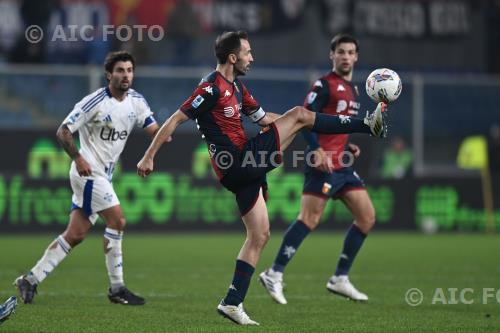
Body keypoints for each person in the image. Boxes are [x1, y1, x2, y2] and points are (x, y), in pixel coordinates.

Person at [137, 31, 387, 325]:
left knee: (260, 234)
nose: (252, 58)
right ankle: (367, 124)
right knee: (299, 114)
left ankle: (232, 302)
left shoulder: (238, 89)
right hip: (239, 161)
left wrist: (300, 124)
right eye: (247, 53)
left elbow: (266, 119)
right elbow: (175, 119)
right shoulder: (211, 87)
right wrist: (149, 155)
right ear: (233, 58)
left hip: (243, 169)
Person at [14, 51, 161, 306]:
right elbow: (63, 131)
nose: (125, 75)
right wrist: (78, 159)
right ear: (109, 75)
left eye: (129, 70)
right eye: (120, 71)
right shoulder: (94, 102)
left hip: (104, 174)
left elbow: (155, 131)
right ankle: (117, 288)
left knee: (76, 234)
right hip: (88, 172)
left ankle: (30, 279)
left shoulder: (136, 102)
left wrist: (171, 129)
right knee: (118, 220)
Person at [259, 34, 376, 304]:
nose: (346, 56)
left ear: (356, 57)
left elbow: (335, 127)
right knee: (309, 219)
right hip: (322, 164)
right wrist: (317, 149)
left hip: (342, 165)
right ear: (332, 56)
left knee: (367, 216)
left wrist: (346, 148)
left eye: (350, 52)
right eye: (341, 52)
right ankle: (273, 273)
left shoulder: (355, 90)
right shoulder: (323, 85)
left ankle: (340, 278)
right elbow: (304, 121)